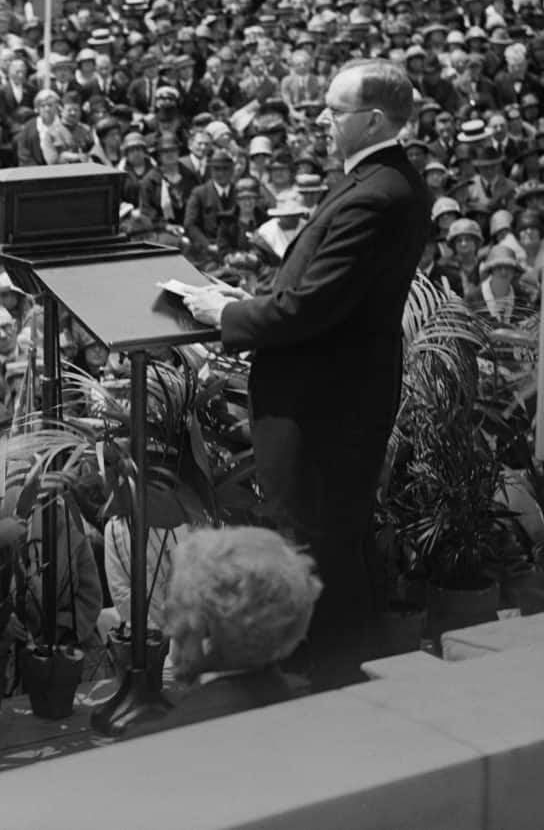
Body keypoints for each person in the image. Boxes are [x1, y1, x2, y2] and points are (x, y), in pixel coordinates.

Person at [182, 60, 431, 687]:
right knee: (333, 543)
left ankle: (326, 678)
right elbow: (318, 286)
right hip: (333, 394)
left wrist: (227, 311)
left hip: (325, 407)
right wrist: (246, 300)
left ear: (374, 119)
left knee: (317, 544)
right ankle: (341, 672)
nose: (322, 121)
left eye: (334, 110)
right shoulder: (379, 180)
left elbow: (314, 306)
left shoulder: (379, 192)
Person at [127, 526, 320, 739]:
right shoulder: (315, 713)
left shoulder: (153, 743)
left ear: (205, 630)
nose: (168, 620)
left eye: (177, 603)